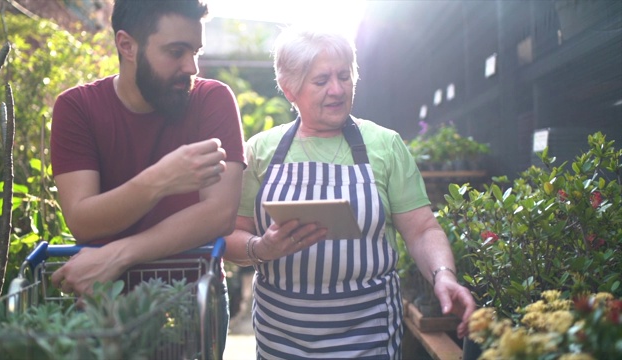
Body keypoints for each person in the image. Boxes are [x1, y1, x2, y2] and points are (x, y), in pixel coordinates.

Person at [224, 26, 476, 359]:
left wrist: (444, 276)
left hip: (368, 334)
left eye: (344, 76)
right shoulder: (260, 151)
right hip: (282, 335)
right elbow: (231, 236)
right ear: (290, 89)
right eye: (321, 80)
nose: (337, 89)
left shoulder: (385, 145)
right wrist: (261, 248)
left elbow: (422, 230)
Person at [48, 0, 245, 346]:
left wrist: (119, 254)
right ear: (127, 45)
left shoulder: (212, 99)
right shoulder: (76, 108)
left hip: (192, 302)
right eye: (176, 52)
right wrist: (160, 180)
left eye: (196, 51)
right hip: (102, 307)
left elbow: (219, 214)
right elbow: (82, 219)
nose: (191, 67)